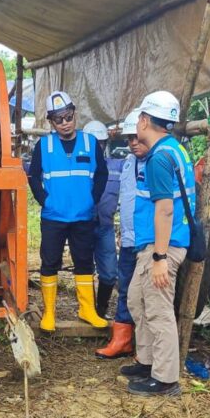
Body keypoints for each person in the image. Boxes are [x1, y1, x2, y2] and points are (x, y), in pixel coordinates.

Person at [119, 91, 194, 396]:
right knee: (137, 300)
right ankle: (148, 360)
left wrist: (160, 257)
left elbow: (165, 208)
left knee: (159, 310)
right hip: (151, 244)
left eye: (138, 118)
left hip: (163, 245)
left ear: (146, 120)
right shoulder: (172, 150)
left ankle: (165, 379)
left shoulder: (159, 158)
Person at [28, 91, 109, 330]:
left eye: (68, 117)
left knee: (84, 262)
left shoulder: (90, 142)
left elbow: (102, 174)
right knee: (49, 262)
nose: (65, 123)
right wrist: (46, 201)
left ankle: (87, 310)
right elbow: (33, 177)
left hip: (83, 216)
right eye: (58, 119)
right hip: (54, 216)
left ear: (75, 114)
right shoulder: (44, 145)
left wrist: (91, 200)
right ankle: (49, 314)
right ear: (50, 122)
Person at [97, 110, 147, 359]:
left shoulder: (158, 161)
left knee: (150, 293)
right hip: (129, 239)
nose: (134, 143)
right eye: (129, 139)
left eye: (138, 138)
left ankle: (147, 348)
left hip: (149, 241)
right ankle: (122, 339)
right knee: (126, 287)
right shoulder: (127, 164)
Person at [85, 120, 122, 319]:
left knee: (109, 273)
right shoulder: (79, 167)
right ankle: (88, 311)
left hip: (105, 227)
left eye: (101, 143)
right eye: (93, 143)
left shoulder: (117, 166)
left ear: (106, 143)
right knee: (84, 270)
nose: (98, 147)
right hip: (82, 226)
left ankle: (101, 310)